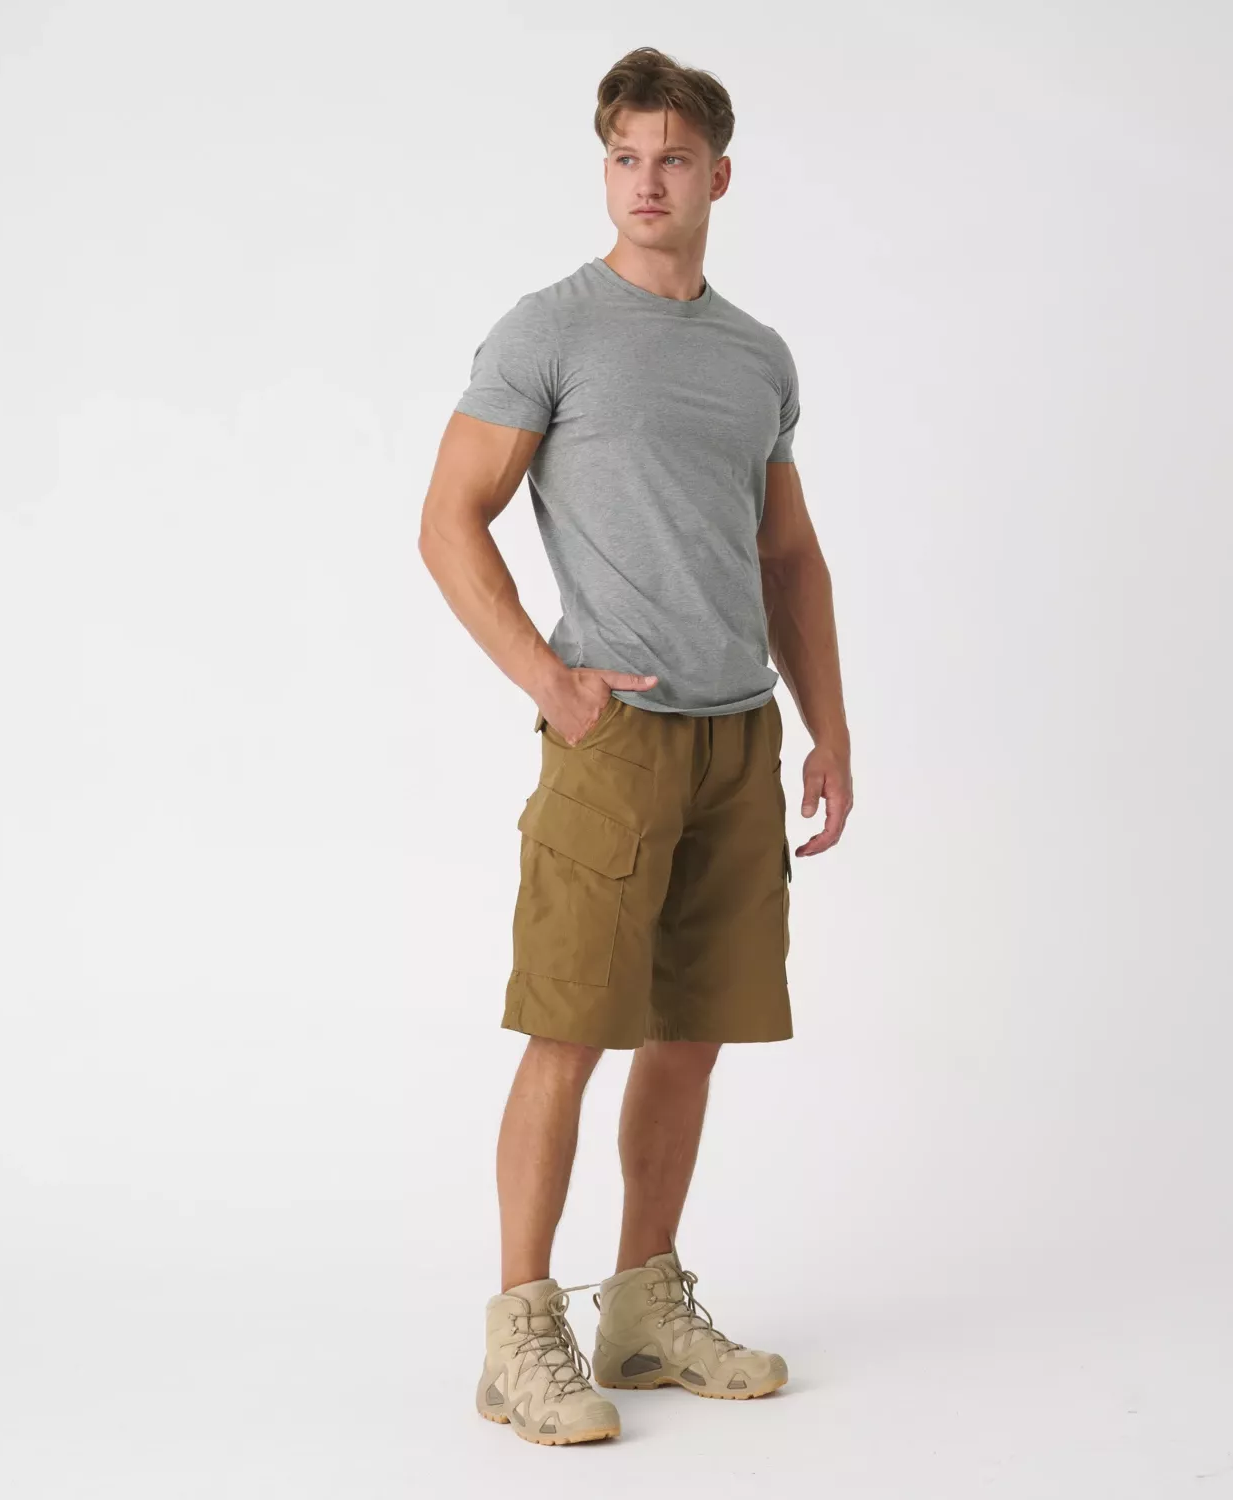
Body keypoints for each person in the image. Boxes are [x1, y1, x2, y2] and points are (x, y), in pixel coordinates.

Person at [418, 45, 853, 1447]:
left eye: (672, 158)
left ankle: (645, 1311)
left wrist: (829, 729)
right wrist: (549, 681)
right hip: (613, 742)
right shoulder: (551, 332)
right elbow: (448, 519)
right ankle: (519, 1336)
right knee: (569, 1031)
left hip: (737, 738)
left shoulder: (756, 356)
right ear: (603, 168)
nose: (646, 181)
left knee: (690, 1034)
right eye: (624, 157)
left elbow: (789, 555)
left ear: (720, 174)